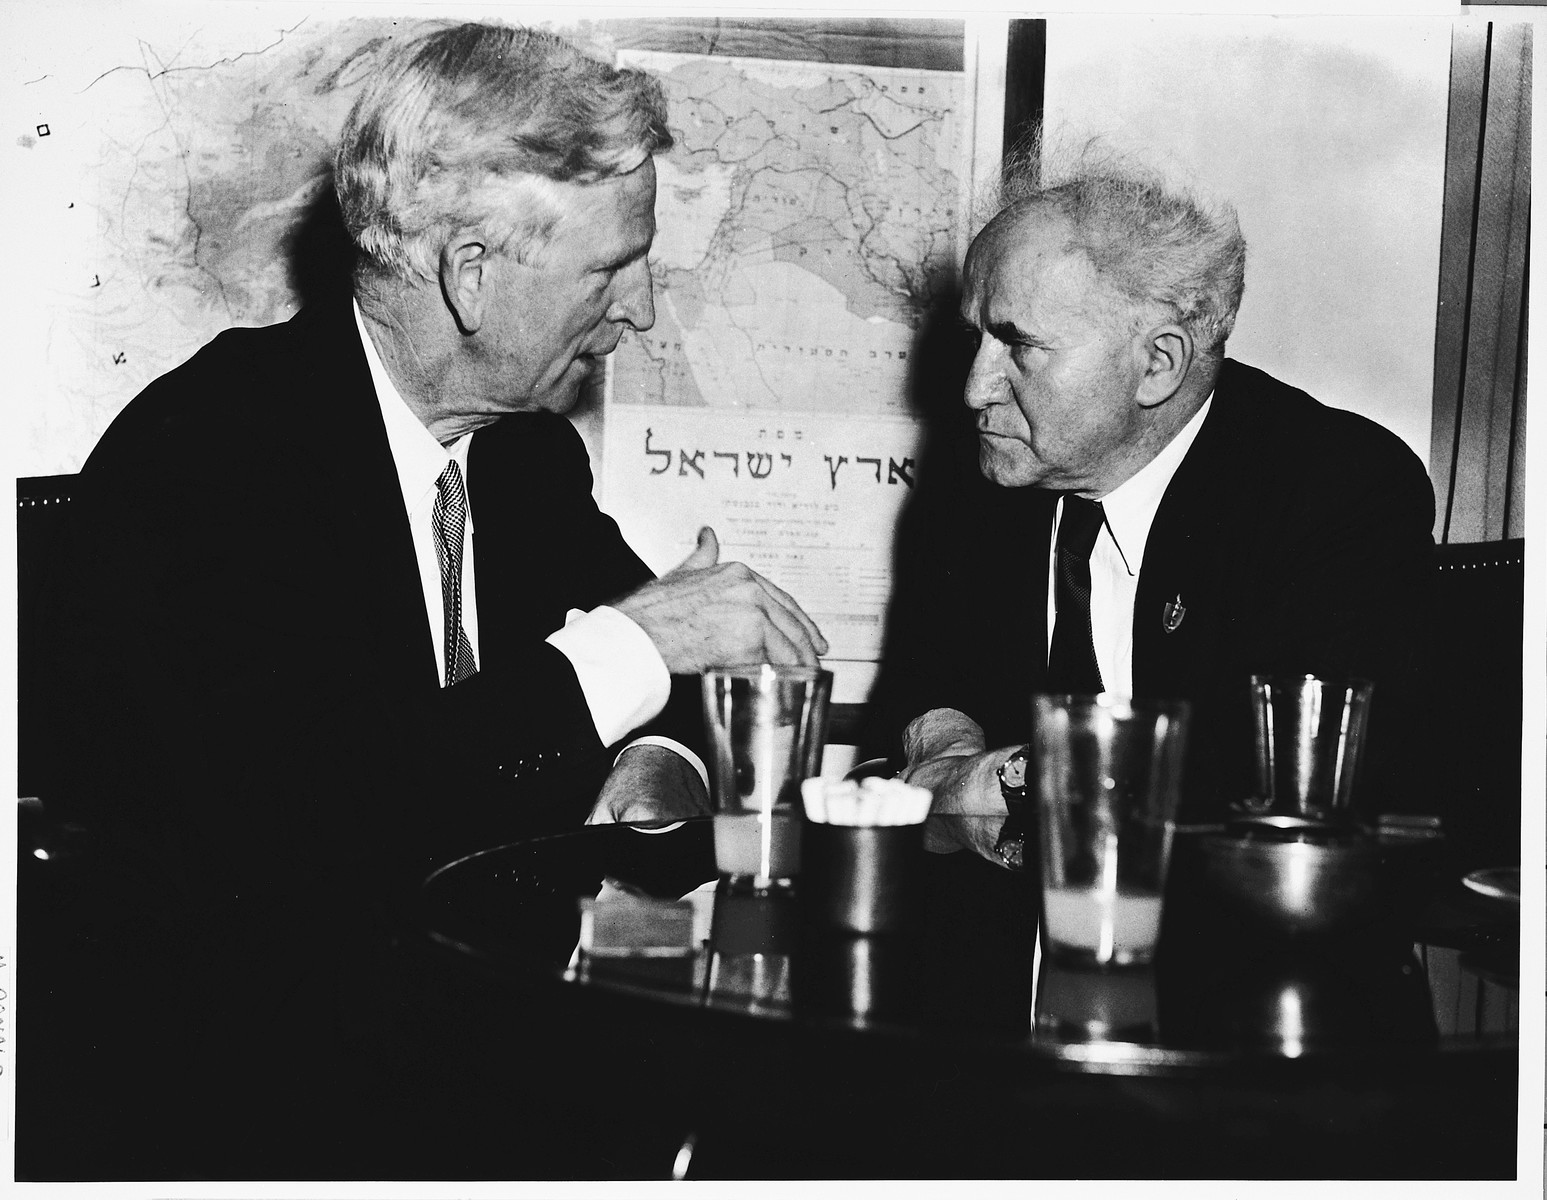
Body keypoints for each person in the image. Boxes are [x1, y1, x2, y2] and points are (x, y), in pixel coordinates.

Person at [33, 23, 824, 1178]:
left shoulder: (523, 460)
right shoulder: (209, 459)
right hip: (252, 1103)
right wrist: (631, 651)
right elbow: (316, 812)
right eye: (614, 268)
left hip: (484, 1056)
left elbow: (651, 685)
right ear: (468, 271)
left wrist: (656, 762)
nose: (642, 311)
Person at [864, 144, 1435, 877]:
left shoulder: (1336, 490)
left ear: (1158, 364)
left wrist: (1003, 782)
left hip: (1228, 965)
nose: (974, 388)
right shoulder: (984, 483)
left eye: (1017, 345)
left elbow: (1272, 786)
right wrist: (945, 751)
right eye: (974, 337)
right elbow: (921, 683)